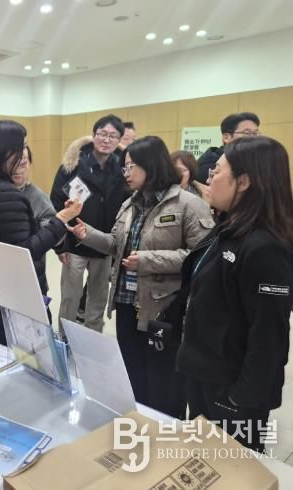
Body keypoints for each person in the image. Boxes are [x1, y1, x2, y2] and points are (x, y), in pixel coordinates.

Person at [72, 136, 213, 416]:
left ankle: (164, 432)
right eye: (124, 167)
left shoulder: (187, 204)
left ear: (151, 165)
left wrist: (148, 261)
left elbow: (201, 257)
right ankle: (139, 423)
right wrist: (87, 234)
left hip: (163, 308)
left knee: (163, 380)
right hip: (127, 304)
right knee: (133, 373)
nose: (125, 173)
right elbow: (116, 244)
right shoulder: (130, 204)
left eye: (130, 166)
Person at [176, 136, 293, 452]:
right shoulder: (228, 229)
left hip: (232, 389)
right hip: (205, 373)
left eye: (216, 171)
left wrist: (241, 398)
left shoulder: (265, 247)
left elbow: (268, 335)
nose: (209, 179)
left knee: (232, 468)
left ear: (243, 182)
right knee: (201, 462)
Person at [0, 120, 82, 345]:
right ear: (5, 153)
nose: (24, 153)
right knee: (27, 358)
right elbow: (24, 253)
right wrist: (61, 219)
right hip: (7, 299)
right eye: (21, 146)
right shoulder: (6, 195)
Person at [50, 115, 129, 333]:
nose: (107, 140)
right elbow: (56, 203)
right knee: (70, 298)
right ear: (94, 135)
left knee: (97, 301)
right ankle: (65, 340)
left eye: (113, 136)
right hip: (74, 243)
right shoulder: (72, 165)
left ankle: (93, 340)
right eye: (102, 134)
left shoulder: (122, 170)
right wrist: (60, 245)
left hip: (104, 245)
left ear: (119, 140)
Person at [196, 112, 260, 185]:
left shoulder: (255, 161)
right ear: (226, 138)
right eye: (247, 133)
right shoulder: (208, 167)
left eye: (255, 133)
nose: (254, 138)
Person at [13, 145, 56, 228]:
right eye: (13, 163)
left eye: (23, 164)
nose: (17, 169)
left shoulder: (39, 196)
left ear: (30, 164)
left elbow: (53, 227)